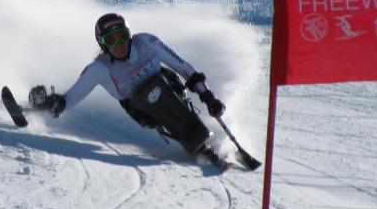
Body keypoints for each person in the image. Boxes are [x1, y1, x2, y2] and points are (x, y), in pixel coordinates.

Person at [28, 13, 230, 168]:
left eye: (122, 37)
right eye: (111, 40)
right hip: (140, 109)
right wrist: (49, 104)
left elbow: (184, 68)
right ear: (102, 44)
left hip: (169, 85)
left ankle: (197, 132)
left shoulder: (147, 43)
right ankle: (195, 140)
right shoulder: (100, 68)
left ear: (129, 35)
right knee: (150, 93)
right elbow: (69, 99)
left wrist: (207, 96)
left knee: (160, 84)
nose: (119, 45)